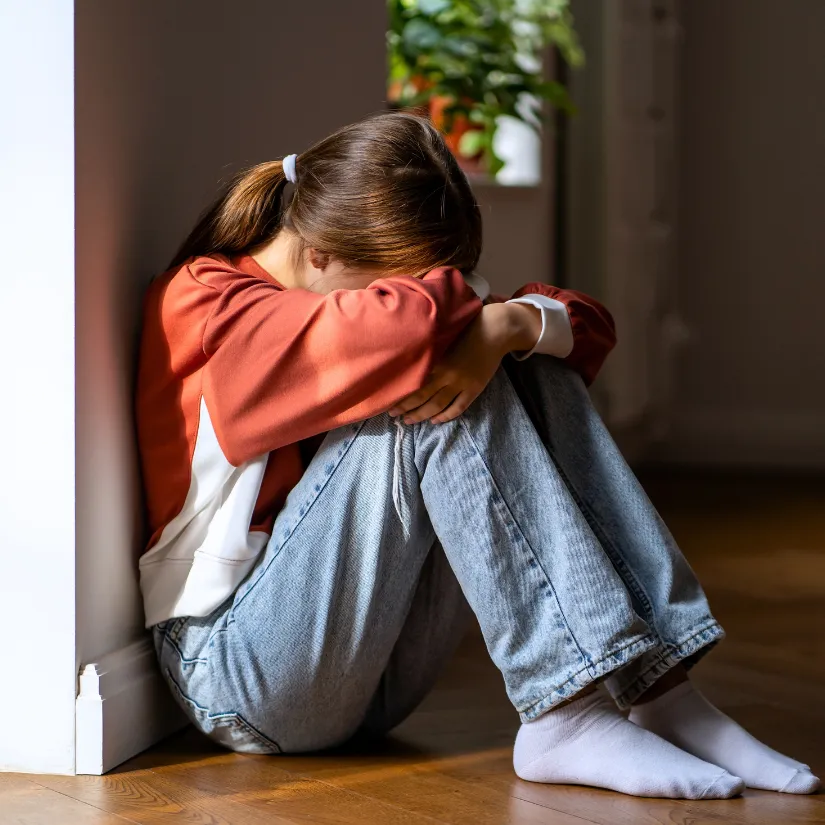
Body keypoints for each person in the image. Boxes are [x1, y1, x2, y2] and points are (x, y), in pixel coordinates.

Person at [136, 112, 819, 799]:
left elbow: (587, 329)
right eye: (392, 283)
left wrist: (510, 325)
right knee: (439, 385)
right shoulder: (207, 305)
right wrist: (488, 320)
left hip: (369, 674)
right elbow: (409, 323)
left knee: (518, 359)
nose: (415, 294)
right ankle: (565, 709)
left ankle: (662, 690)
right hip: (235, 671)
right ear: (318, 254)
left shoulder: (333, 287)